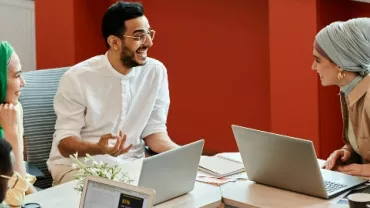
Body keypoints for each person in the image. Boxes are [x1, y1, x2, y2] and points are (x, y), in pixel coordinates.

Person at [47, 1, 179, 185]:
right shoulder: (77, 78)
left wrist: (187, 157)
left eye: (149, 33)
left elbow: (155, 134)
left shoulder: (155, 72)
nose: (149, 42)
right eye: (139, 36)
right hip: (79, 167)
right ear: (114, 42)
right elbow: (65, 144)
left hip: (131, 166)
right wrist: (98, 148)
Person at [312, 18, 370, 177]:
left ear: (340, 63)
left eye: (318, 60)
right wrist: (347, 151)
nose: (313, 67)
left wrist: (366, 169)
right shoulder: (349, 90)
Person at [0, 41, 36, 197]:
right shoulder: (10, 118)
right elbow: (14, 197)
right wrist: (12, 135)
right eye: (17, 75)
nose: (23, 83)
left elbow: (21, 186)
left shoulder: (12, 110)